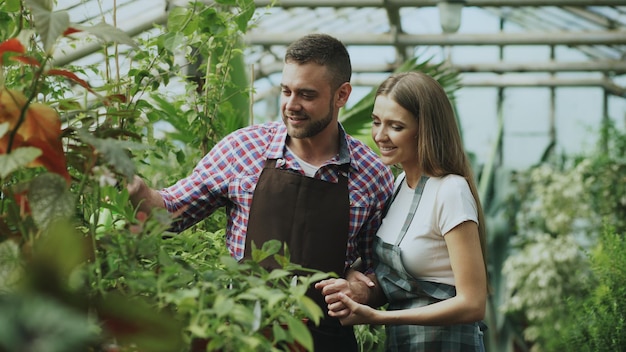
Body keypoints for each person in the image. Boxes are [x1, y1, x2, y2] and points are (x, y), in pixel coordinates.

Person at [126, 33, 394, 351]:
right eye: (286, 91)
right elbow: (171, 214)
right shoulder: (244, 149)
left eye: (307, 95)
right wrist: (136, 188)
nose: (291, 105)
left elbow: (385, 268)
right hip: (239, 335)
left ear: (341, 95)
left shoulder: (372, 175)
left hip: (323, 339)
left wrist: (365, 289)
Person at [316, 71, 489, 351]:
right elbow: (394, 278)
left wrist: (380, 316)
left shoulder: (450, 190)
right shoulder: (398, 187)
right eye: (376, 122)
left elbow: (473, 303)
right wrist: (352, 280)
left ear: (426, 129)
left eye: (396, 126)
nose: (380, 135)